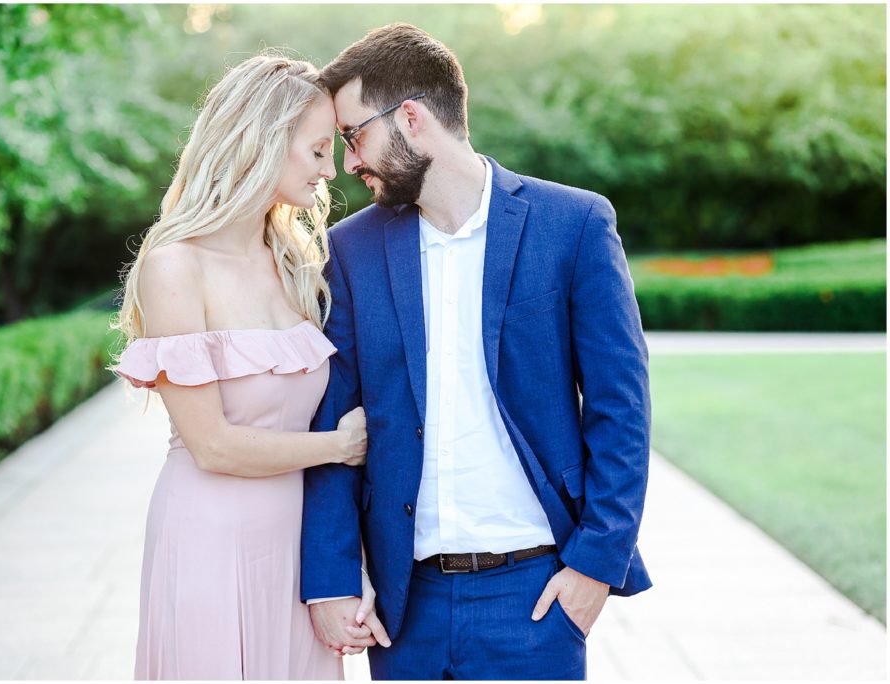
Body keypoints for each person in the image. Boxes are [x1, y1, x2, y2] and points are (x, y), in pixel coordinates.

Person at [301, 24, 652, 680]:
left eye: (354, 135)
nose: (349, 162)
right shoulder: (349, 251)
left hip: (537, 599)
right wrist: (332, 579)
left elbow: (621, 409)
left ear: (410, 117)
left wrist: (594, 570)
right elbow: (334, 420)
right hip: (404, 610)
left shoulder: (573, 226)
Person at [110, 54, 370, 680]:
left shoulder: (297, 263)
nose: (330, 170)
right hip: (211, 541)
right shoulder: (175, 266)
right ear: (262, 143)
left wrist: (345, 563)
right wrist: (337, 446)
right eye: (315, 151)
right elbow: (214, 446)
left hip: (294, 547)